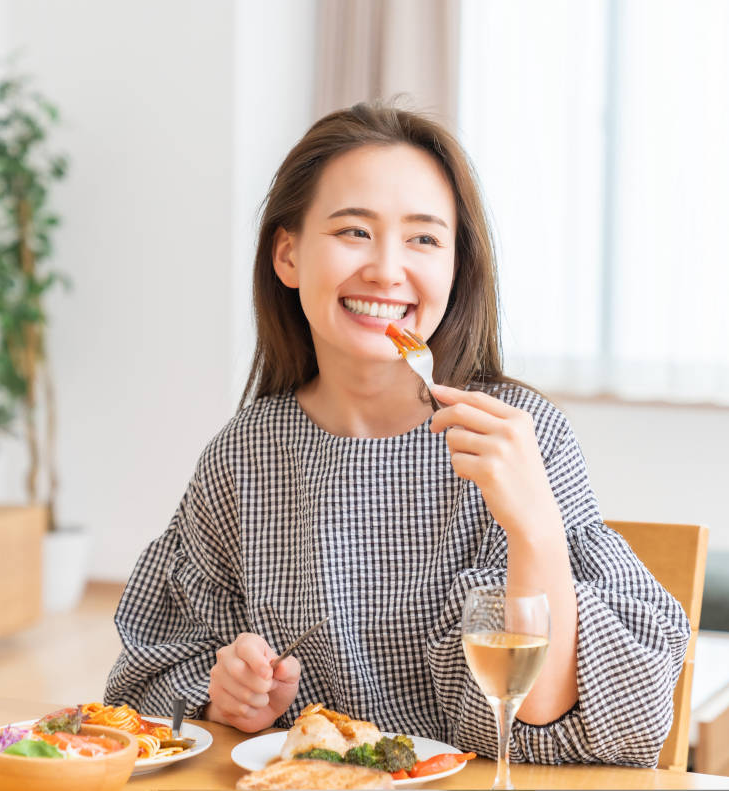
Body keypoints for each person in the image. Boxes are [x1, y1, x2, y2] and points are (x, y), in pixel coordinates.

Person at [105, 102, 690, 766]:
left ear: (455, 268)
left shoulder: (524, 437)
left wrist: (535, 526)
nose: (387, 270)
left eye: (423, 239)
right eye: (355, 231)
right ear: (289, 253)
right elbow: (147, 682)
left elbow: (548, 712)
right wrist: (226, 692)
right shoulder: (244, 453)